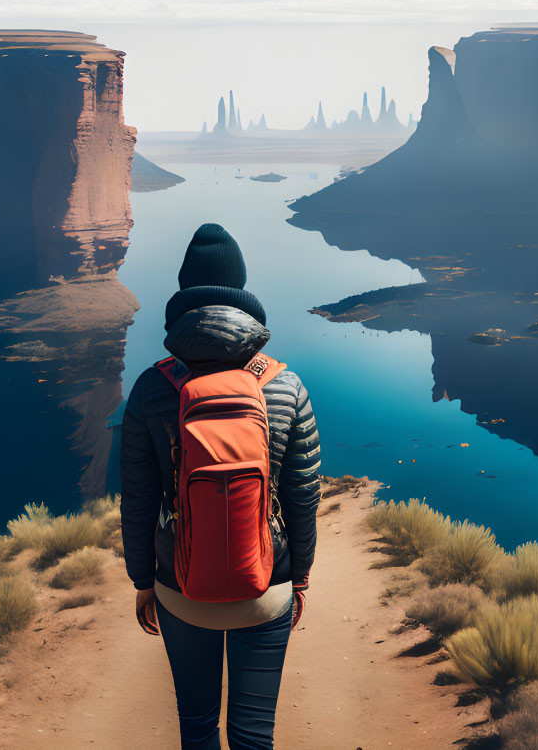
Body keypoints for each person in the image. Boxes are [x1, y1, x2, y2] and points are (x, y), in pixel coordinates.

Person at [120, 222, 322, 750]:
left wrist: (144, 580)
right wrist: (298, 577)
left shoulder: (152, 387)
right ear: (242, 293)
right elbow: (302, 495)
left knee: (197, 727)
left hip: (179, 586)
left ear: (183, 295)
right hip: (267, 585)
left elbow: (137, 498)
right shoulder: (285, 385)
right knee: (255, 734)